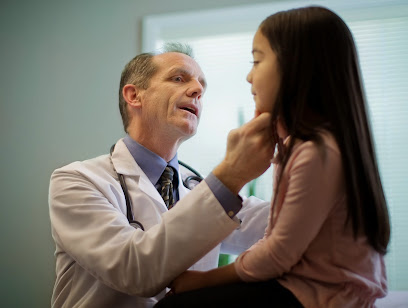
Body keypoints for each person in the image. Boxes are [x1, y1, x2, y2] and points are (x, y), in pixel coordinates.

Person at [155, 6, 390, 308]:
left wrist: (201, 280)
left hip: (320, 295)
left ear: (297, 68)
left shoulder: (316, 152)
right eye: (177, 79)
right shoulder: (299, 148)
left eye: (257, 61)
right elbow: (273, 239)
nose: (249, 76)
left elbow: (278, 253)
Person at [48, 43, 274, 308]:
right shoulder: (77, 181)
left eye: (202, 86)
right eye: (178, 78)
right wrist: (230, 176)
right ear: (134, 96)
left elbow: (285, 223)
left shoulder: (196, 189)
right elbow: (135, 271)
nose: (198, 90)